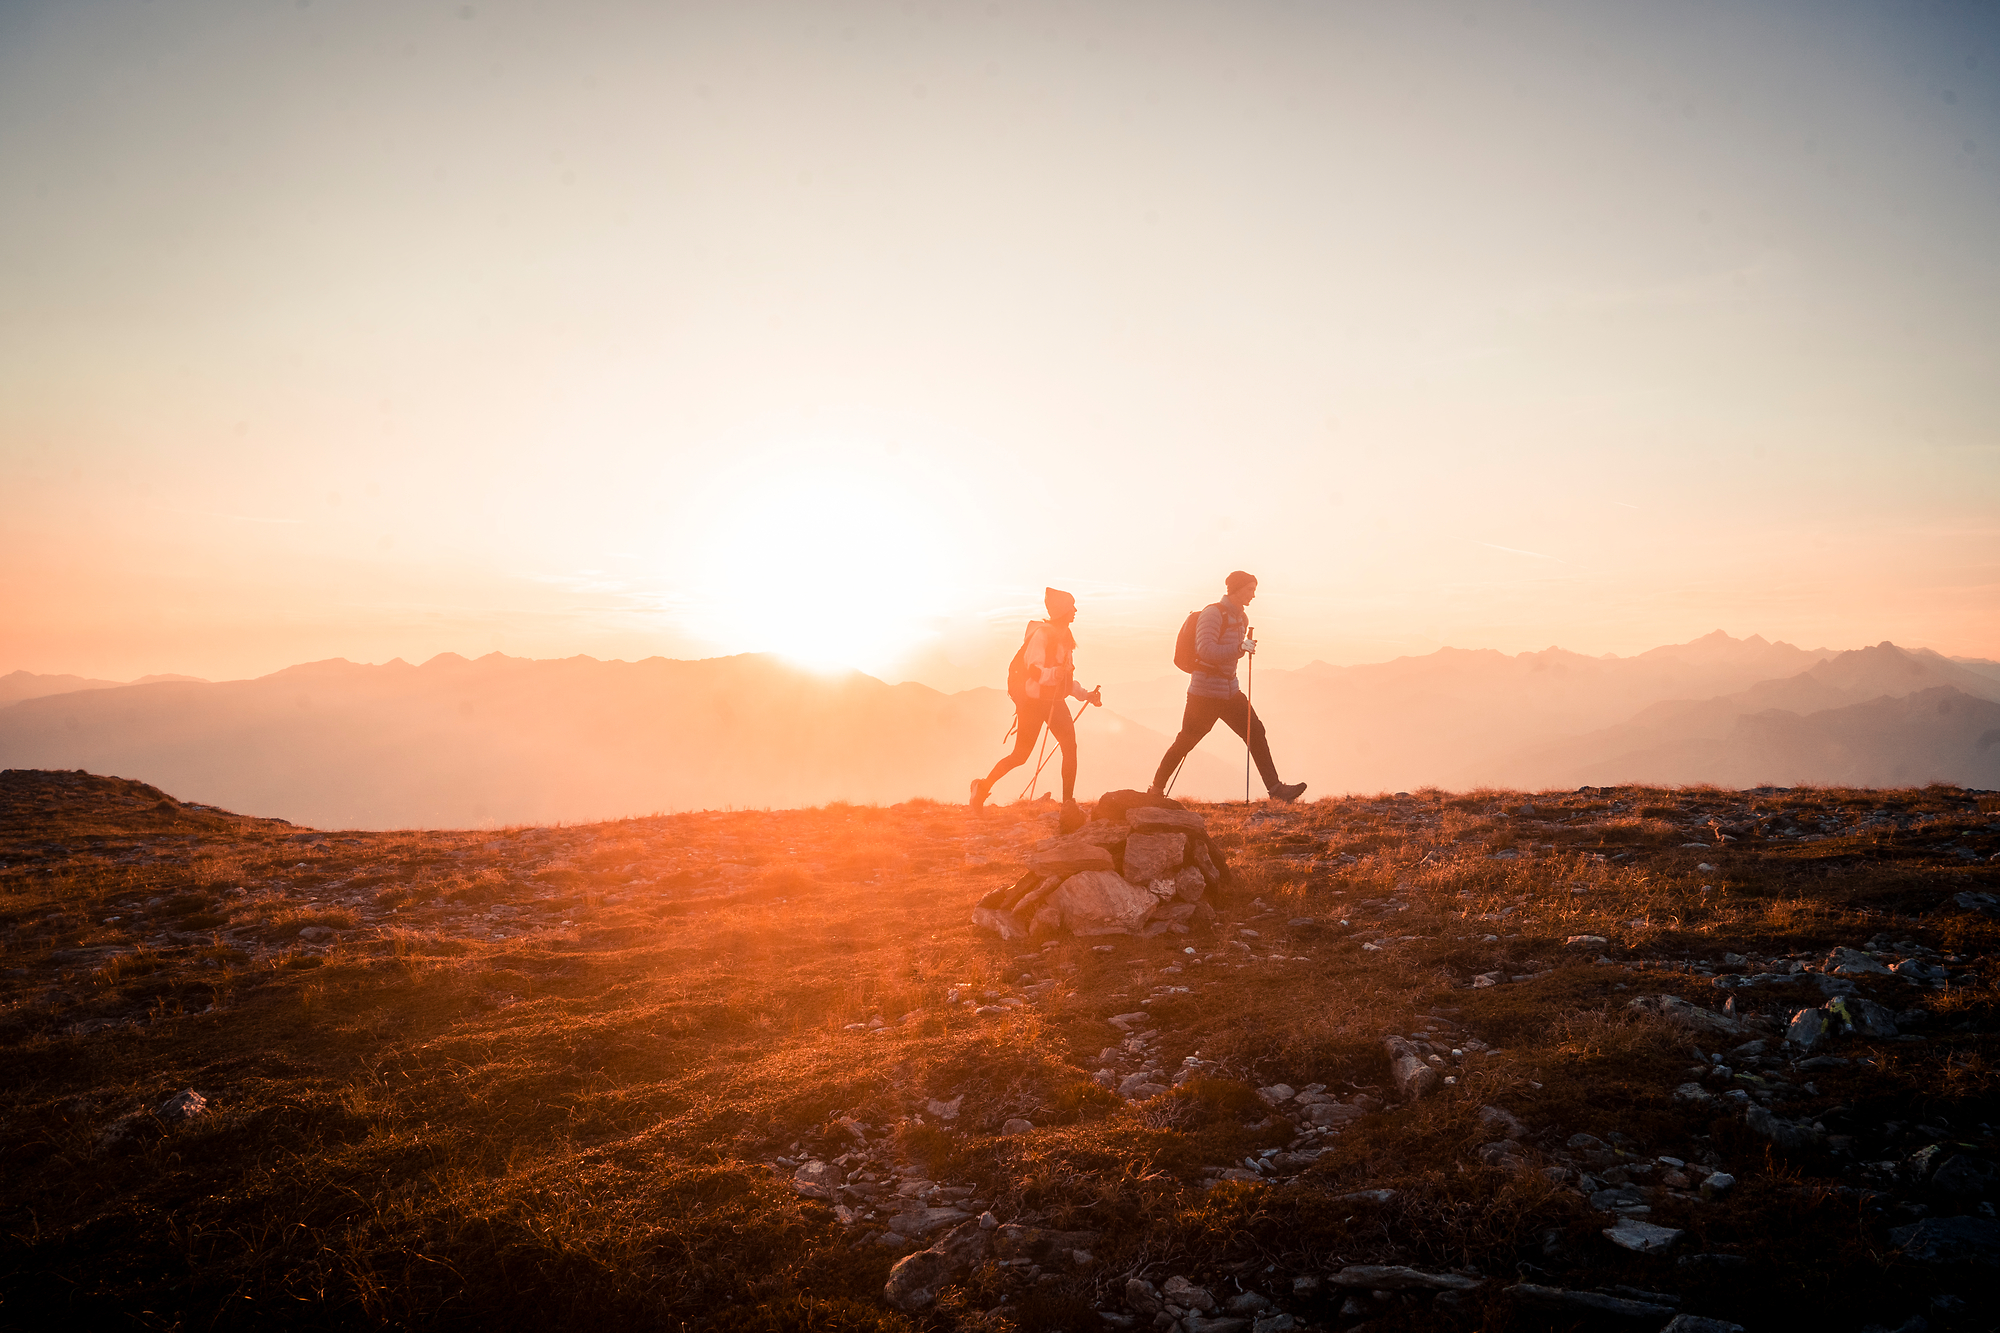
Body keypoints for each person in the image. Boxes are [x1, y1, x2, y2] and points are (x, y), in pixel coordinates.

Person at [1149, 571, 1307, 802]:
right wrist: (1240, 649)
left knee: (1256, 732)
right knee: (1186, 741)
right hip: (1204, 693)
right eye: (1249, 590)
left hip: (1230, 691)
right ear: (1235, 589)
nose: (1253, 595)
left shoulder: (1242, 618)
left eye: (1254, 590)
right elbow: (1206, 651)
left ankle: (1276, 789)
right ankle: (1155, 790)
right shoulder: (1213, 614)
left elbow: (1229, 654)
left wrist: (1241, 649)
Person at [970, 587, 1102, 819]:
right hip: (1033, 703)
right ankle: (981, 788)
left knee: (1069, 747)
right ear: (1061, 609)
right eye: (1071, 606)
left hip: (1053, 701)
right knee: (1020, 756)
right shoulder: (1043, 634)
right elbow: (1034, 670)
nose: (1075, 610)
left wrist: (1086, 694)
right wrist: (1055, 675)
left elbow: (1065, 676)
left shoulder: (1064, 636)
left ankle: (1068, 805)